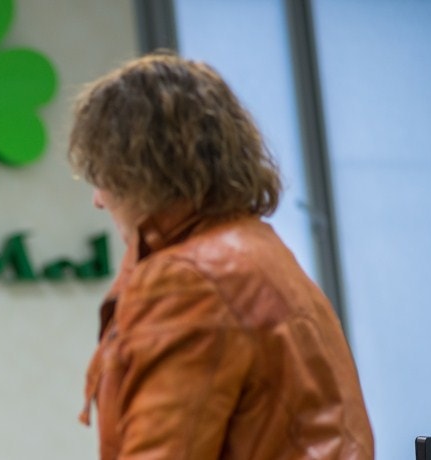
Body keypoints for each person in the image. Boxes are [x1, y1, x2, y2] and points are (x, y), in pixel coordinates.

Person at [67, 52, 374, 459]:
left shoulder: (189, 279)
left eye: (100, 175)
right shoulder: (259, 249)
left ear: (137, 172)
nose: (97, 200)